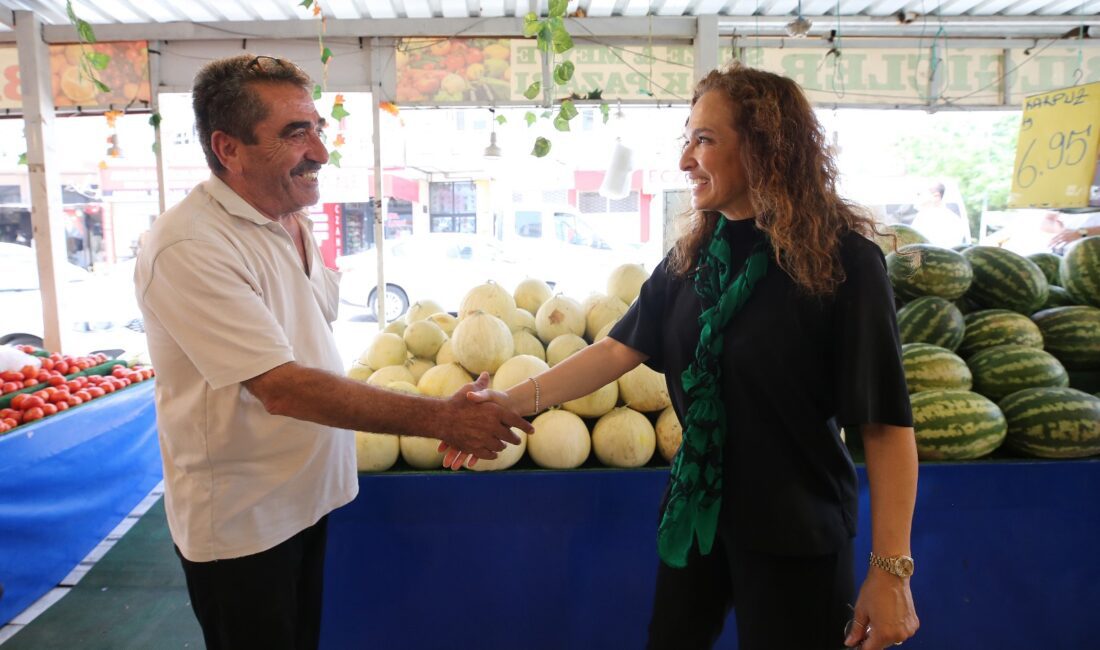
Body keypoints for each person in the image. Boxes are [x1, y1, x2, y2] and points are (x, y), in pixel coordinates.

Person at [448, 64, 920, 650]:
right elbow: (617, 349)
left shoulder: (843, 264)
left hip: (796, 530)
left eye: (705, 140)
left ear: (766, 146)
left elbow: (885, 426)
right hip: (697, 512)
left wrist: (891, 570)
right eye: (687, 139)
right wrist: (509, 402)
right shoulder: (693, 259)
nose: (684, 160)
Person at [133, 54, 531, 650]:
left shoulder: (288, 218)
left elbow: (308, 329)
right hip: (244, 522)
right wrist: (442, 419)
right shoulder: (189, 245)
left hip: (305, 496)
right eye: (295, 134)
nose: (320, 152)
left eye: (317, 128)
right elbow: (281, 386)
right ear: (228, 148)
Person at [908, 181, 970, 248]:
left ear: (936, 196)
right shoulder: (956, 219)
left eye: (919, 194)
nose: (916, 198)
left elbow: (913, 245)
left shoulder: (924, 217)